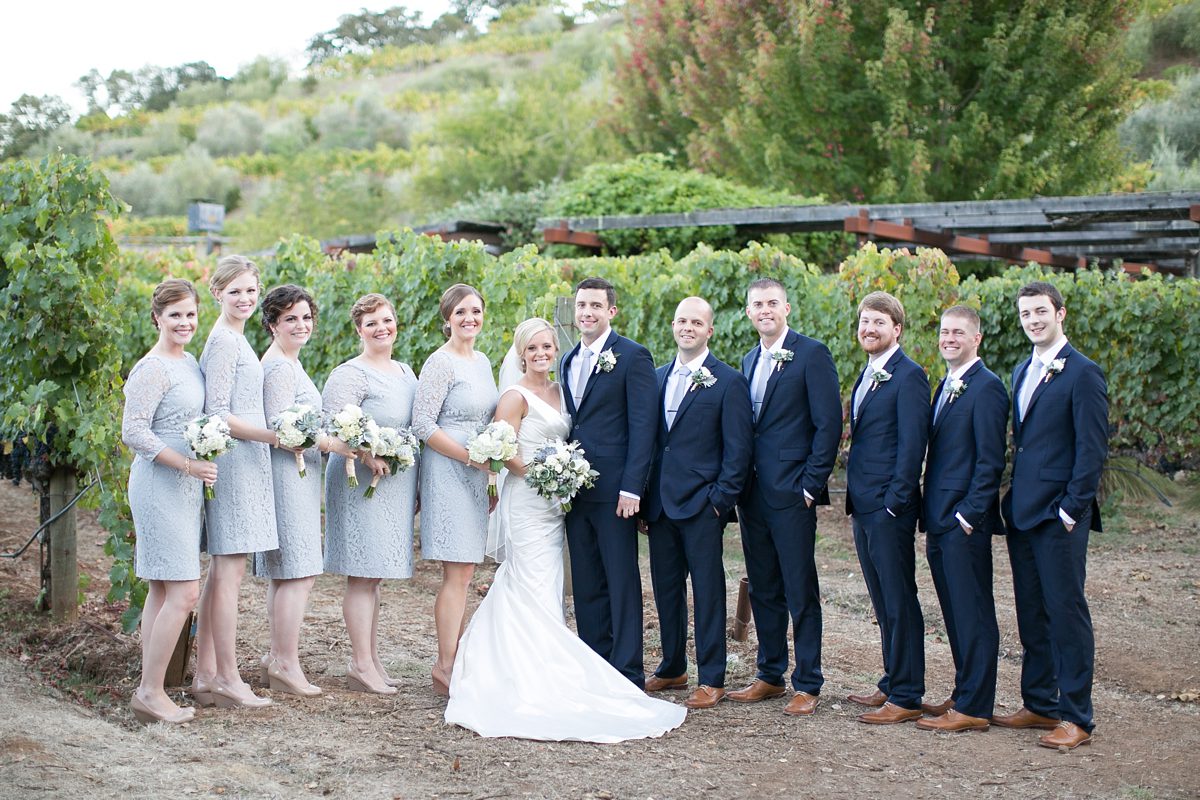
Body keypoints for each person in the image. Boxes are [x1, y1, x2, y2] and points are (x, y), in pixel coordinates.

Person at [445, 318, 686, 741]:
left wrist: (561, 480)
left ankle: (549, 663)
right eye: (533, 348)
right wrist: (545, 476)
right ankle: (527, 673)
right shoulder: (513, 396)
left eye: (547, 347)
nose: (541, 354)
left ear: (557, 350)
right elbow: (504, 451)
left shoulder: (560, 391)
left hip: (557, 505)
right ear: (521, 353)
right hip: (528, 501)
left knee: (549, 583)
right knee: (529, 580)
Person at [995, 281, 1107, 750]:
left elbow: (1092, 448)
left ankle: (1077, 716)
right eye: (1025, 314)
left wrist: (1070, 509)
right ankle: (1040, 702)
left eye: (1041, 311)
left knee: (1066, 613)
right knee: (1032, 613)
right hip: (1023, 512)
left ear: (1060, 314)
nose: (1033, 320)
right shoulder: (1023, 369)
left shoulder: (1083, 373)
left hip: (1059, 515)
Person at [728, 278, 842, 716]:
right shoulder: (748, 358)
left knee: (799, 587)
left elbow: (827, 424)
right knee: (763, 585)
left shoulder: (811, 354)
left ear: (787, 308)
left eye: (772, 303)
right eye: (757, 304)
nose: (765, 310)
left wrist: (811, 485)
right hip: (752, 493)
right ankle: (770, 674)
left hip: (794, 492)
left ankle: (808, 681)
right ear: (748, 311)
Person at [642, 297, 753, 709]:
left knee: (707, 591)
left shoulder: (728, 381)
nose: (687, 327)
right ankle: (672, 666)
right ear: (673, 326)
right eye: (682, 320)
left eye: (697, 322)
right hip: (659, 506)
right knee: (666, 589)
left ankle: (712, 677)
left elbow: (738, 451)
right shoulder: (655, 379)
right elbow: (652, 444)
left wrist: (719, 501)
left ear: (709, 330)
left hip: (703, 505)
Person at [122, 279, 216, 725]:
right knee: (184, 590)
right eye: (175, 314)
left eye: (191, 314)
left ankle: (150, 688)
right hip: (160, 484)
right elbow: (134, 431)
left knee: (162, 587)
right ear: (157, 317)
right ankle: (150, 691)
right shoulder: (152, 367)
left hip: (185, 484)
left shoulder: (191, 362)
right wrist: (184, 464)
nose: (184, 322)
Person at [254, 285, 354, 697]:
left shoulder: (289, 363)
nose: (301, 325)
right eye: (290, 318)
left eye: (306, 317)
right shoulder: (278, 367)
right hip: (286, 475)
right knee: (298, 572)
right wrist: (333, 444)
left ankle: (278, 658)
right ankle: (284, 662)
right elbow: (283, 427)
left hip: (298, 475)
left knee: (291, 574)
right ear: (273, 324)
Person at [193, 255, 283, 710]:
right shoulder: (225, 343)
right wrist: (272, 435)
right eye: (235, 292)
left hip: (246, 462)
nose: (245, 299)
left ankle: (207, 673)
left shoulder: (235, 338)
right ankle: (226, 676)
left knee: (222, 574)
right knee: (229, 572)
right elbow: (218, 412)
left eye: (251, 290)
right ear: (217, 293)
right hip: (234, 464)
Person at [915, 305, 1008, 733]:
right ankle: (964, 691)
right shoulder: (946, 384)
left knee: (973, 612)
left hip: (963, 520)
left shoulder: (986, 388)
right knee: (954, 611)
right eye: (944, 331)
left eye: (958, 332)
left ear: (977, 338)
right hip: (939, 517)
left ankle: (975, 707)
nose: (949, 338)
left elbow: (990, 460)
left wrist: (970, 515)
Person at [560, 277, 657, 688]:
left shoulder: (633, 356)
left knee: (621, 580)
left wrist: (632, 488)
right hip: (574, 490)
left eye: (596, 306)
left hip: (616, 490)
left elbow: (644, 426)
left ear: (611, 312)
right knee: (585, 581)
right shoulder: (566, 360)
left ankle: (628, 671)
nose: (587, 312)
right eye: (582, 305)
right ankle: (595, 663)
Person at [323, 293, 420, 695]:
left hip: (393, 483)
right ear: (358, 330)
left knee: (375, 575)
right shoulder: (350, 373)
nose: (381, 329)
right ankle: (360, 664)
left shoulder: (405, 371)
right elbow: (331, 428)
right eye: (371, 323)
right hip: (359, 480)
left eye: (386, 320)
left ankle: (372, 659)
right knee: (362, 575)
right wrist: (365, 453)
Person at [844, 291, 930, 725]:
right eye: (864, 321)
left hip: (888, 507)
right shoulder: (869, 372)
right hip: (864, 505)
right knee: (881, 600)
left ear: (897, 328)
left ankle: (908, 694)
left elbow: (913, 444)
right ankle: (892, 679)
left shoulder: (909, 375)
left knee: (899, 599)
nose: (869, 328)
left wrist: (896, 501)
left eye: (879, 322)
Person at [412, 284, 499, 696]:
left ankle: (454, 658)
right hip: (447, 471)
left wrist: (491, 472)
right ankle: (445, 665)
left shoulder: (482, 361)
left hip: (477, 473)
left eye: (476, 311)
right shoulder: (439, 363)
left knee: (466, 571)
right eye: (461, 312)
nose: (470, 318)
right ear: (447, 318)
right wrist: (469, 458)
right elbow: (424, 425)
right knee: (456, 571)